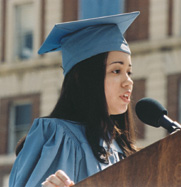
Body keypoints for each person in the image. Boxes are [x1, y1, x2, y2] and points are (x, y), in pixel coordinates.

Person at [9, 11, 140, 187]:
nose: (128, 82)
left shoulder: (119, 147)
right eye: (116, 71)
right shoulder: (59, 137)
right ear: (86, 79)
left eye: (129, 72)